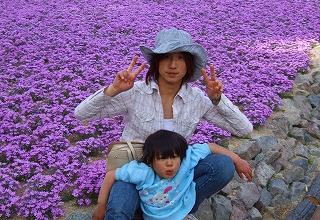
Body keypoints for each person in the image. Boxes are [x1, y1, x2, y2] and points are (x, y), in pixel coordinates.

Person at [74, 28, 253, 220]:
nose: (173, 65)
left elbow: (244, 129)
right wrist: (113, 89)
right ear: (157, 62)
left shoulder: (197, 100)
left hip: (174, 176)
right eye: (166, 57)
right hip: (136, 171)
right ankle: (149, 209)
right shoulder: (135, 93)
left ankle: (177, 208)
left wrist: (218, 100)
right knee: (118, 211)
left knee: (223, 166)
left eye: (180, 58)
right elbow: (82, 114)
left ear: (189, 64)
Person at [92, 130, 252, 220]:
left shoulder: (185, 161)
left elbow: (210, 147)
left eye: (174, 157)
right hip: (152, 216)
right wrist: (101, 206)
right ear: (150, 161)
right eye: (162, 158)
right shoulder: (142, 172)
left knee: (224, 164)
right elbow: (111, 175)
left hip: (180, 211)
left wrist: (238, 160)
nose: (170, 163)